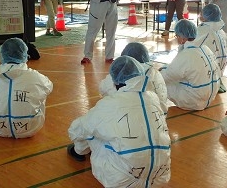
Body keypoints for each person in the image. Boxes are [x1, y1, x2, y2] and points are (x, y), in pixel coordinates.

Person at [67, 56, 171, 187]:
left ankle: (78, 151)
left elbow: (77, 130)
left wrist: (77, 142)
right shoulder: (153, 98)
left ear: (114, 80)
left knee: (92, 132)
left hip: (122, 182)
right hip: (159, 179)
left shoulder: (110, 104)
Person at [0, 38, 53, 138]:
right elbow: (49, 87)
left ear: (2, 53)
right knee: (40, 90)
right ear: (25, 54)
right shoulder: (36, 76)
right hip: (30, 128)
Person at [160, 19, 220, 110]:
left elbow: (168, 76)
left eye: (177, 36)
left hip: (194, 100)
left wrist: (159, 72)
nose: (176, 38)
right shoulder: (205, 48)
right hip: (210, 97)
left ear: (183, 38)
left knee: (160, 83)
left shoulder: (187, 55)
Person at [99, 42, 170, 114]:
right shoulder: (154, 72)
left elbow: (103, 88)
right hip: (159, 114)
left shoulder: (124, 70)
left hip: (129, 115)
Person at [196, 3, 227, 93]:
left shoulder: (202, 31)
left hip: (208, 70)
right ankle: (217, 80)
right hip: (220, 70)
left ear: (205, 16)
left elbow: (190, 48)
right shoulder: (223, 32)